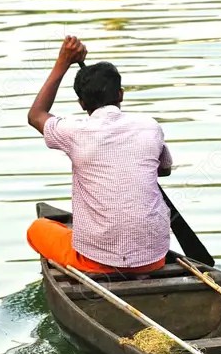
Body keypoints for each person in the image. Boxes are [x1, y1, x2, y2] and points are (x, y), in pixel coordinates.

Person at [26, 35, 173, 274]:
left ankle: (91, 256)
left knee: (37, 228)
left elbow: (36, 115)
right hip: (154, 257)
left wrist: (63, 62)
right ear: (121, 95)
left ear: (82, 104)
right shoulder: (150, 125)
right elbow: (164, 170)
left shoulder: (74, 131)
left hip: (98, 261)